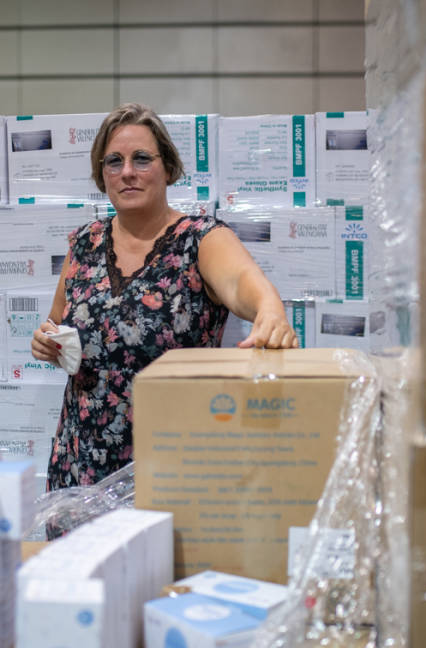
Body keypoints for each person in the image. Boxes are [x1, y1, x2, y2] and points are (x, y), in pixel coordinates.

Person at [31, 103, 297, 490]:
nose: (127, 172)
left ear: (168, 168)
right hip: (81, 467)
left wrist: (270, 310)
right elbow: (58, 324)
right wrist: (46, 341)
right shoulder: (84, 244)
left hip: (175, 467)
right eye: (113, 162)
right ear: (101, 175)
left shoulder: (199, 239)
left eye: (141, 159)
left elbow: (242, 282)